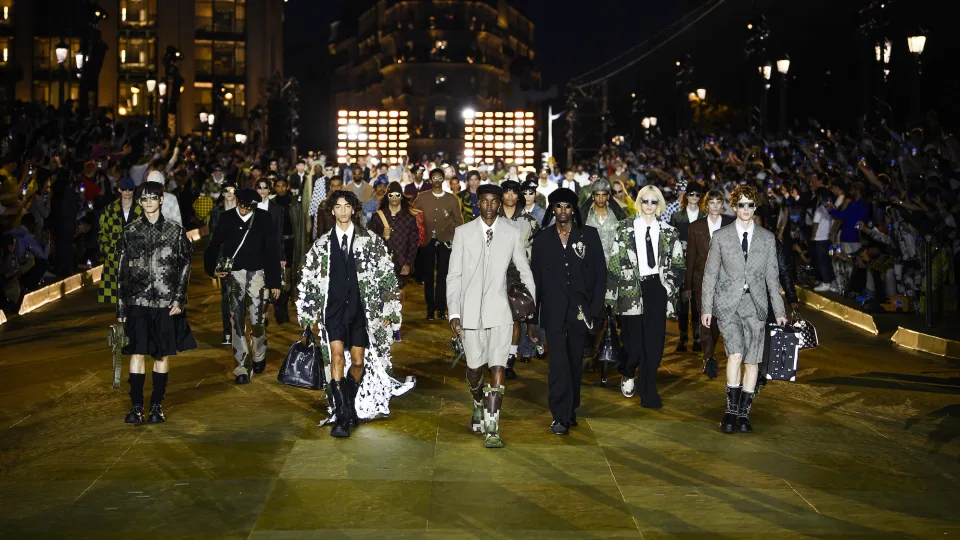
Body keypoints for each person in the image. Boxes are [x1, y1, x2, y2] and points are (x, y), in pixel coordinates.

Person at [298, 190, 410, 437]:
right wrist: (307, 313)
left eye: (347, 206)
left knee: (358, 363)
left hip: (361, 310)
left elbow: (386, 276)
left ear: (354, 209)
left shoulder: (370, 240)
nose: (343, 211)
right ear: (332, 211)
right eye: (338, 207)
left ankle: (346, 405)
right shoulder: (321, 245)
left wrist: (390, 308)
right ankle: (341, 417)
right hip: (333, 309)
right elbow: (310, 280)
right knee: (337, 358)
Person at [447, 184, 535, 448]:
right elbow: (454, 275)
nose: (488, 206)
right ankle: (477, 400)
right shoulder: (462, 233)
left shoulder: (511, 233)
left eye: (493, 202)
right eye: (483, 201)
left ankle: (492, 425)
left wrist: (529, 307)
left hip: (500, 311)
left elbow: (524, 270)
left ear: (499, 204)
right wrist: (454, 311)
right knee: (474, 368)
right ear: (478, 203)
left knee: (498, 366)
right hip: (470, 313)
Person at [700, 185, 787, 434]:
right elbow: (710, 274)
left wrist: (779, 311)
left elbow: (773, 278)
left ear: (755, 207)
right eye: (741, 204)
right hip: (728, 304)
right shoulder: (721, 237)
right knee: (735, 354)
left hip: (757, 305)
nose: (746, 209)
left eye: (750, 205)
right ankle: (730, 410)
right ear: (734, 206)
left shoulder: (767, 238)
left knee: (752, 360)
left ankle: (744, 413)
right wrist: (706, 307)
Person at [116, 181, 196, 424]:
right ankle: (136, 406)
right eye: (144, 198)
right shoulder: (130, 232)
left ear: (162, 200)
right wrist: (120, 307)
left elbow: (185, 265)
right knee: (137, 353)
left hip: (165, 301)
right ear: (139, 202)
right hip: (137, 301)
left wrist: (179, 298)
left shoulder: (175, 231)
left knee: (162, 355)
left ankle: (156, 406)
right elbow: (121, 272)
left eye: (153, 197)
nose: (148, 202)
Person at [530, 188, 606, 435]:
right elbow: (536, 281)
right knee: (558, 364)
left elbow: (600, 275)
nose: (563, 211)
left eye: (568, 207)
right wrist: (532, 318)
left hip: (580, 313)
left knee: (575, 364)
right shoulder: (542, 239)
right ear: (553, 209)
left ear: (574, 210)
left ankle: (570, 410)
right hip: (552, 312)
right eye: (558, 206)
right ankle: (559, 415)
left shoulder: (589, 236)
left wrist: (595, 311)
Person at [606, 185, 685, 409]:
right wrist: (610, 299)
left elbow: (679, 264)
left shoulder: (669, 232)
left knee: (655, 345)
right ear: (639, 203)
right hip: (630, 290)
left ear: (659, 204)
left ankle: (648, 389)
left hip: (657, 290)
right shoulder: (624, 229)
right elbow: (614, 263)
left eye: (653, 202)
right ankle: (628, 371)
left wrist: (667, 286)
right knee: (633, 345)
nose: (649, 206)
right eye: (645, 201)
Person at [204, 188, 283, 385]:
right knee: (236, 319)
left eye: (249, 207)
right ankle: (241, 366)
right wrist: (212, 269)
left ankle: (259, 354)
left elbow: (272, 250)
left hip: (258, 273)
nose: (245, 210)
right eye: (242, 205)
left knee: (258, 319)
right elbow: (213, 244)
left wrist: (275, 282)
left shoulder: (263, 218)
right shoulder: (226, 217)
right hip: (234, 275)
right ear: (237, 201)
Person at [684, 189, 734, 378]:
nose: (714, 206)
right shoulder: (695, 227)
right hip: (701, 279)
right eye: (711, 202)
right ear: (707, 205)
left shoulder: (730, 224)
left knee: (716, 320)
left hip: (724, 279)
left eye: (718, 202)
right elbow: (691, 257)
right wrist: (688, 285)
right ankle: (709, 357)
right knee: (705, 318)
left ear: (722, 205)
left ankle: (710, 351)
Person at [498, 179, 541, 377]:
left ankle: (509, 360)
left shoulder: (530, 221)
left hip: (518, 274)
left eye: (513, 192)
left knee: (515, 318)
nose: (510, 196)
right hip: (494, 272)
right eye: (506, 192)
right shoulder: (491, 218)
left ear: (519, 195)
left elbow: (538, 250)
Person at [368, 181, 420, 337]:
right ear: (387, 196)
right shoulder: (378, 217)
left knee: (398, 295)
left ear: (401, 196)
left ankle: (396, 325)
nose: (395, 198)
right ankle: (385, 325)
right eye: (391, 195)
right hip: (382, 263)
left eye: (398, 195)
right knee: (383, 294)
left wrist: (408, 263)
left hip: (401, 262)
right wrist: (382, 237)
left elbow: (413, 243)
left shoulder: (409, 219)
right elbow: (370, 240)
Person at [414, 168, 463, 320]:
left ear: (443, 180)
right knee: (428, 276)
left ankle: (441, 309)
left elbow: (458, 220)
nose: (436, 180)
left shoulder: (452, 199)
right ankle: (430, 309)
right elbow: (412, 214)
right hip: (427, 240)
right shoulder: (422, 197)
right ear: (430, 180)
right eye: (434, 177)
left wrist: (450, 231)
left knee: (444, 275)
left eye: (439, 177)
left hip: (445, 240)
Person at [669, 181, 706, 352]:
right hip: (681, 264)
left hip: (700, 264)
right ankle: (683, 337)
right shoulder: (677, 217)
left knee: (697, 303)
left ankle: (697, 337)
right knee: (683, 302)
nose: (694, 197)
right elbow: (671, 241)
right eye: (691, 194)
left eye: (697, 194)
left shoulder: (705, 217)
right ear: (686, 196)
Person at [97, 178, 141, 305]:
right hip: (114, 258)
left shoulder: (141, 210)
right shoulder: (109, 210)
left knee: (136, 300)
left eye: (130, 189)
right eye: (124, 189)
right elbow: (102, 232)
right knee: (118, 299)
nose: (127, 192)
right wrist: (108, 251)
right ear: (119, 189)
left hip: (136, 259)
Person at [271, 176, 306, 323]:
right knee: (278, 278)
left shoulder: (294, 203)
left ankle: (281, 305)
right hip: (277, 245)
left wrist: (303, 250)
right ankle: (280, 307)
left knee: (290, 277)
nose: (280, 188)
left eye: (283, 185)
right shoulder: (271, 204)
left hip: (292, 242)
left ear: (287, 186)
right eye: (278, 186)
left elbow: (301, 227)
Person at [207, 181, 238, 345]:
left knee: (240, 296)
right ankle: (227, 332)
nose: (229, 193)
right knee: (226, 296)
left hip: (243, 257)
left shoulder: (245, 211)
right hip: (224, 258)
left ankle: (238, 330)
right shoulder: (216, 212)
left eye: (232, 190)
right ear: (222, 193)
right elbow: (213, 238)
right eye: (226, 190)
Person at [581, 180, 625, 261]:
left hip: (613, 265)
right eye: (597, 195)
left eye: (604, 195)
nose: (600, 199)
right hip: (591, 265)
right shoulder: (585, 218)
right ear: (593, 197)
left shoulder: (616, 217)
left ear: (608, 196)